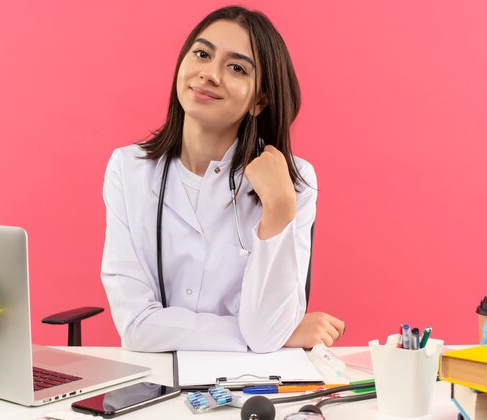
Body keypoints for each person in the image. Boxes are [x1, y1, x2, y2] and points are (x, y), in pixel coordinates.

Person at [101, 6, 344, 353]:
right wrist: (271, 335)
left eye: (236, 68)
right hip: (156, 383)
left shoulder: (295, 181)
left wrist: (278, 208)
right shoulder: (128, 168)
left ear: (259, 100)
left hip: (251, 387)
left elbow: (264, 334)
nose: (210, 74)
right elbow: (137, 325)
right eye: (202, 54)